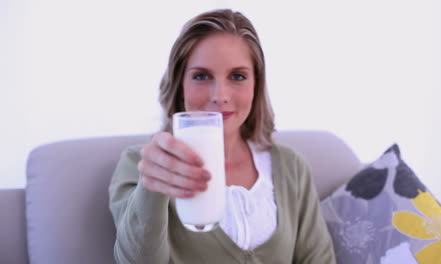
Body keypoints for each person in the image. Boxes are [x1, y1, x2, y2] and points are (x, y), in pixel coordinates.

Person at [109, 9, 336, 264]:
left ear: (256, 86)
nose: (220, 95)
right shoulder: (140, 166)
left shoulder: (291, 167)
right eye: (201, 76)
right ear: (179, 84)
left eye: (237, 76)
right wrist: (152, 189)